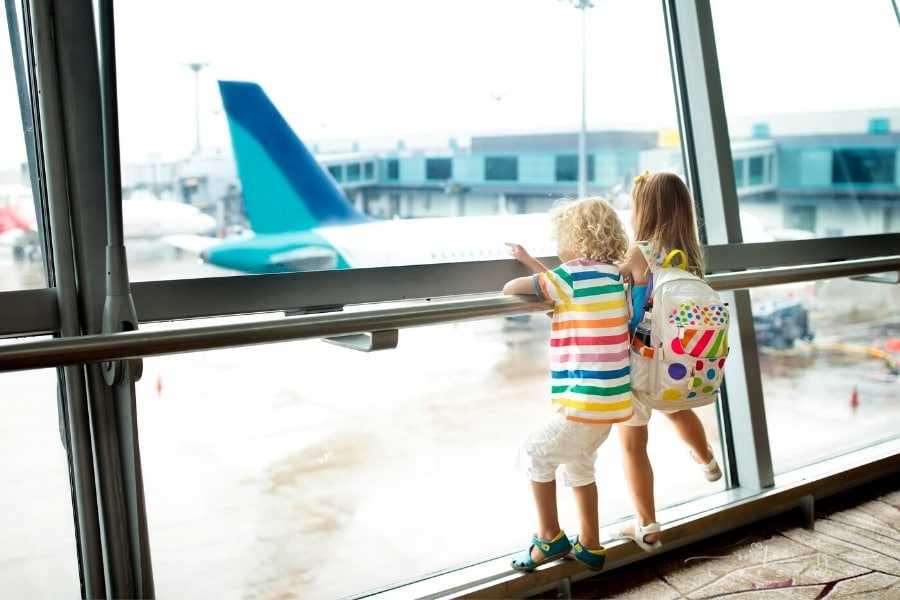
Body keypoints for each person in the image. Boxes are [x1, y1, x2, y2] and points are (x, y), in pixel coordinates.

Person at [503, 196, 632, 572]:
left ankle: (549, 538)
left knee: (533, 455)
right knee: (580, 468)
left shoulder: (570, 276)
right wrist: (533, 263)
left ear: (573, 237)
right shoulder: (611, 276)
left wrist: (527, 271)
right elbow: (573, 301)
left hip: (581, 404)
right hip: (609, 407)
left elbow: (514, 288)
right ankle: (590, 544)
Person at [610, 170, 723, 554]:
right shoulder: (690, 257)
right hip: (683, 367)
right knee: (676, 410)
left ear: (644, 208)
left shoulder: (639, 251)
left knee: (632, 447)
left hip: (642, 366)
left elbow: (613, 280)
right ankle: (707, 459)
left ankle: (647, 525)